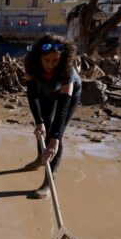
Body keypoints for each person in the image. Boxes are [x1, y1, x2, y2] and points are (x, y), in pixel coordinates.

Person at [23, 34, 81, 199]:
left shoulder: (66, 69)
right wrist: (39, 121)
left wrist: (56, 137)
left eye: (55, 61)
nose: (50, 65)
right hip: (45, 92)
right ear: (39, 57)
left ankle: (49, 181)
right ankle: (40, 159)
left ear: (61, 58)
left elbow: (63, 106)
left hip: (69, 95)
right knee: (43, 130)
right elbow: (32, 94)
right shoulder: (30, 63)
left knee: (56, 133)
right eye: (46, 60)